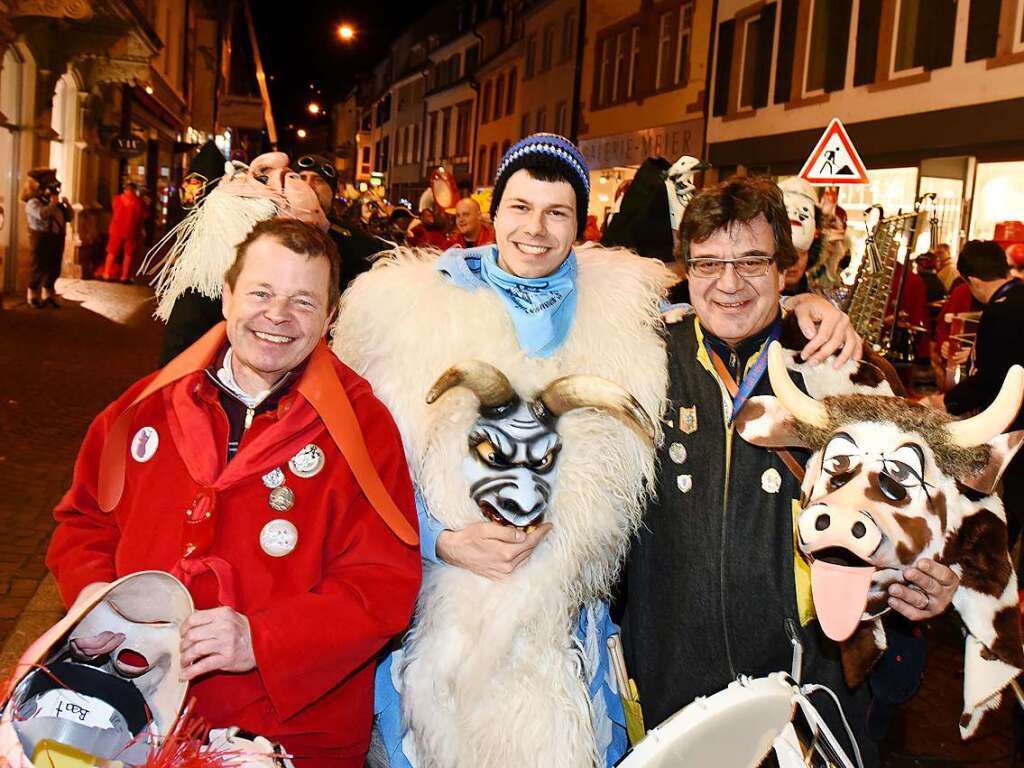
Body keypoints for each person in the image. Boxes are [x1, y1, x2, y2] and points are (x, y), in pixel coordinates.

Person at [46, 218, 421, 767]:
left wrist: (262, 640)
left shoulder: (364, 428)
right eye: (261, 293)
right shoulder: (145, 407)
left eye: (303, 302)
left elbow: (383, 582)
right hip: (135, 713)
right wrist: (97, 602)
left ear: (329, 319)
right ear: (226, 297)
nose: (277, 316)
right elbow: (84, 521)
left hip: (285, 731)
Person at [620, 177, 960, 767]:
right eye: (708, 264)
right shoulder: (640, 364)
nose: (728, 284)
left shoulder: (848, 377)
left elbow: (918, 533)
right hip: (670, 701)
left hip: (811, 703)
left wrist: (929, 589)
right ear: (686, 269)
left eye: (752, 261)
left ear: (787, 268)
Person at [931, 240, 1024, 546]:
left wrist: (947, 401)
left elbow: (992, 380)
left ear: (972, 282)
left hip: (1017, 426)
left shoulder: (1001, 311)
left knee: (1012, 505)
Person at [291, 154, 389, 291]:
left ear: (332, 192)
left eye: (318, 180)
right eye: (301, 178)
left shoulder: (354, 239)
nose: (308, 185)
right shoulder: (268, 228)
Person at [21, 168, 71, 308]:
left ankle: (48, 293)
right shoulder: (33, 202)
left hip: (56, 238)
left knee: (54, 266)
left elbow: (68, 217)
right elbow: (42, 215)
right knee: (39, 266)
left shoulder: (51, 201)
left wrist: (67, 206)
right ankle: (32, 295)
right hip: (41, 238)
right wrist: (52, 204)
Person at [100, 181, 146, 283]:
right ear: (134, 190)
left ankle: (106, 273)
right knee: (128, 254)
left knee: (112, 252)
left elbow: (114, 209)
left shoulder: (117, 199)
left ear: (125, 190)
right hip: (131, 231)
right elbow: (145, 215)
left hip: (116, 229)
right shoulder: (138, 201)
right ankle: (124, 276)